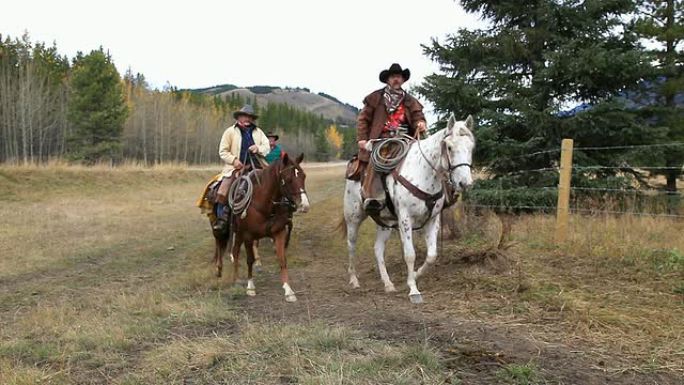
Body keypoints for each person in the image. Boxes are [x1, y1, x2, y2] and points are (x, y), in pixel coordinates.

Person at [356, 63, 427, 214]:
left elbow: (418, 116)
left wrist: (421, 124)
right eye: (393, 77)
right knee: (377, 160)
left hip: (405, 140)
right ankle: (370, 196)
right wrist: (362, 138)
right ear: (388, 79)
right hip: (381, 140)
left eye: (399, 77)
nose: (396, 79)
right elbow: (363, 119)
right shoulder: (375, 98)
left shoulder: (410, 101)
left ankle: (421, 197)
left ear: (402, 80)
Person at [213, 104, 270, 232]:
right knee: (223, 190)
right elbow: (223, 151)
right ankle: (222, 219)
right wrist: (234, 160)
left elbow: (267, 147)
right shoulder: (230, 131)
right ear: (239, 117)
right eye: (245, 116)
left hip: (257, 165)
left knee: (273, 185)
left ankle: (271, 216)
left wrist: (258, 148)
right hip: (235, 168)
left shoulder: (258, 132)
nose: (247, 119)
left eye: (250, 117)